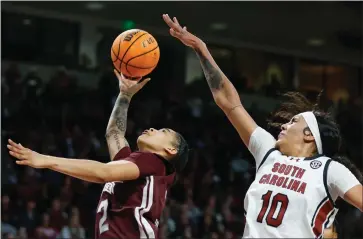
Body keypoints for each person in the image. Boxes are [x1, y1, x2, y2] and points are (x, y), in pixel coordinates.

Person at [162, 14, 363, 238]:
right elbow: (228, 102)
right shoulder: (269, 151)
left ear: (309, 135)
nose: (285, 125)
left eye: (294, 121)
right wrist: (200, 48)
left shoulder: (329, 169)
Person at [7, 70, 189, 239]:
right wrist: (125, 95)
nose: (152, 129)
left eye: (162, 131)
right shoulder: (136, 167)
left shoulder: (154, 162)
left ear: (170, 150)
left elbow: (103, 173)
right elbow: (114, 133)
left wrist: (45, 160)